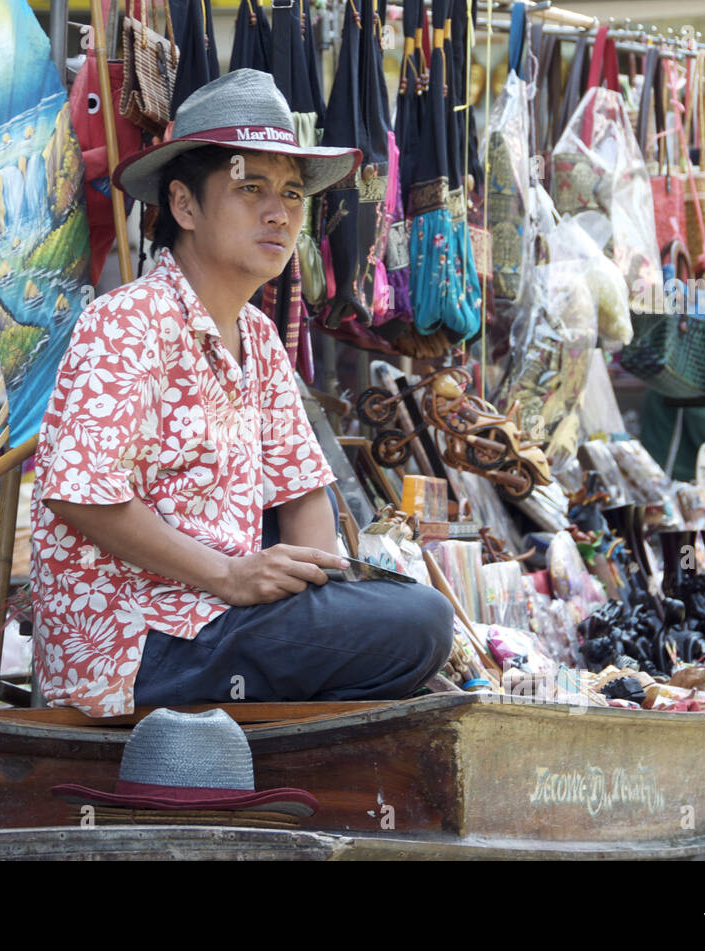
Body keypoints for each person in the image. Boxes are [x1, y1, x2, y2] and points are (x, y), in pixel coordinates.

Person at [28, 69, 454, 718]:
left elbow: (302, 493)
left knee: (411, 614)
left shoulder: (257, 335)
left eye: (290, 192)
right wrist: (228, 575)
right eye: (249, 187)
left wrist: (311, 586)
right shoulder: (129, 320)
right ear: (185, 205)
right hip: (141, 645)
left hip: (224, 623)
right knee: (418, 625)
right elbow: (78, 491)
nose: (279, 212)